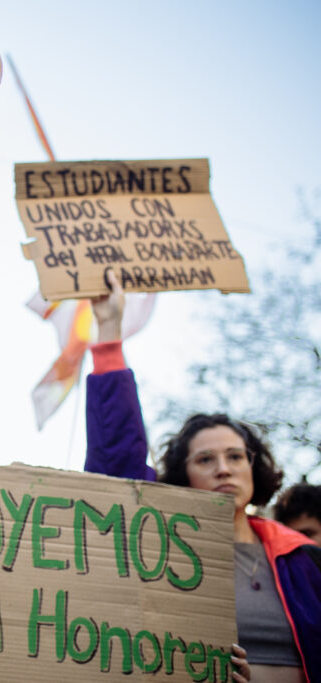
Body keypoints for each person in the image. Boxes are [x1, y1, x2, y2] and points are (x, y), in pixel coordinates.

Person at [85, 270, 319, 682]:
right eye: (205, 460)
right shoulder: (164, 549)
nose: (223, 468)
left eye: (234, 456)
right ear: (183, 475)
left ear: (254, 467)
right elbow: (116, 465)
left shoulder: (305, 558)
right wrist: (109, 332)